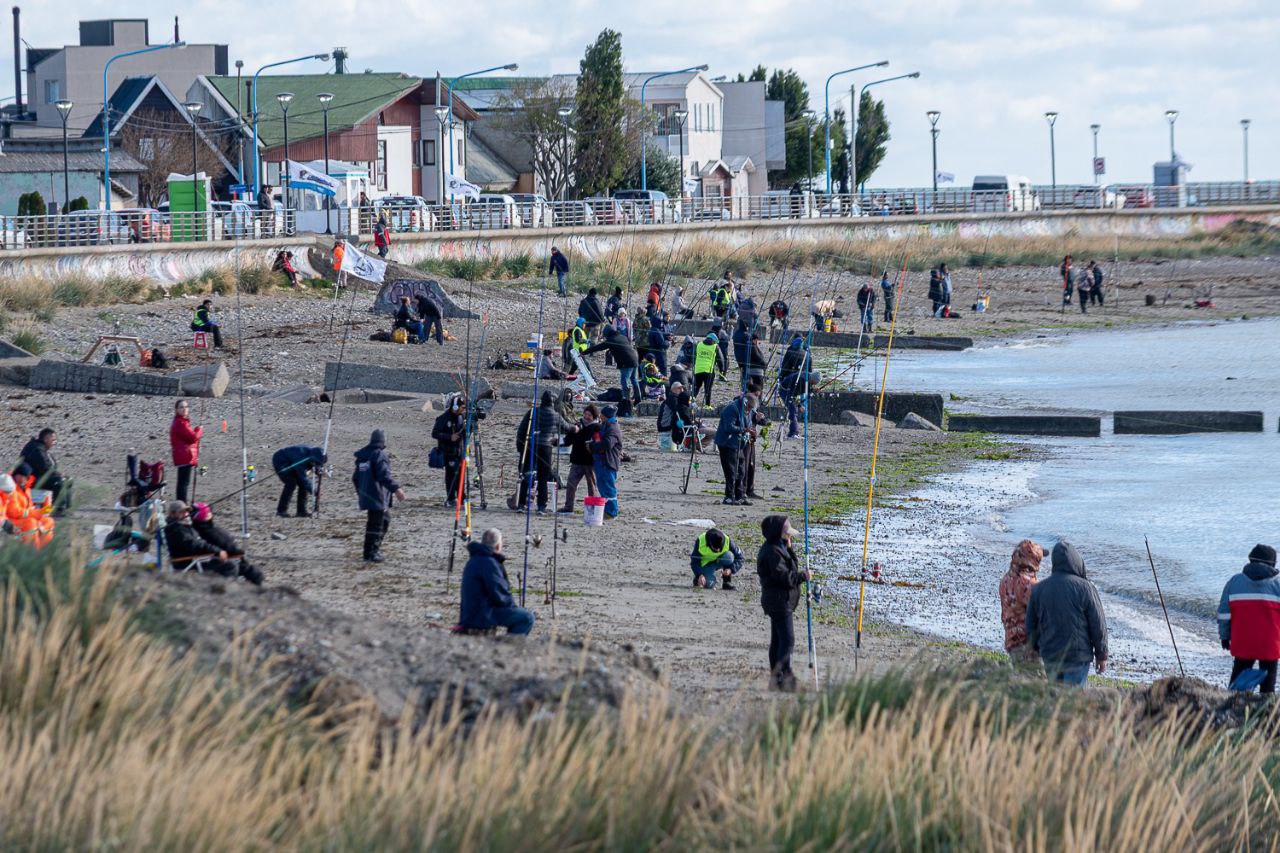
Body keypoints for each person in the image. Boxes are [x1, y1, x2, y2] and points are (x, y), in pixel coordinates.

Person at [1025, 541, 1108, 686]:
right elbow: (1098, 624)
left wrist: (1034, 648)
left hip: (1050, 653)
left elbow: (1031, 624)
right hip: (1077, 656)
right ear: (1076, 561)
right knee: (1073, 702)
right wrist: (1101, 655)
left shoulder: (1038, 589)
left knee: (1056, 697)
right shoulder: (1086, 588)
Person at [1217, 544, 1280, 694]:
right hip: (1270, 644)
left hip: (1242, 642)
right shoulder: (1278, 585)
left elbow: (1223, 614)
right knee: (1267, 689)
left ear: (1250, 560)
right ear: (1272, 564)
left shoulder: (1234, 582)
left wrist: (1225, 637)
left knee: (1237, 688)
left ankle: (1233, 707)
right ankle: (1265, 712)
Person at [757, 514, 809, 691]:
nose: (790, 535)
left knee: (779, 639)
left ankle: (776, 678)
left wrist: (790, 549)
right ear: (777, 532)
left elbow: (791, 566)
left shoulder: (779, 547)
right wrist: (803, 577)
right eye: (787, 533)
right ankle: (785, 677)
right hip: (778, 601)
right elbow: (784, 577)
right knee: (787, 640)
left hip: (780, 601)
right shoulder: (771, 551)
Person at [162, 500, 262, 585]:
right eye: (182, 512)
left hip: (196, 558)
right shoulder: (176, 530)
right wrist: (217, 551)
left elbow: (196, 544)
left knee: (233, 564)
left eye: (187, 512)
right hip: (187, 563)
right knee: (230, 565)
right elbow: (194, 545)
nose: (186, 514)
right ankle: (225, 590)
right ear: (173, 514)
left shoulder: (180, 526)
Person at [509, 391, 576, 513]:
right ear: (553, 402)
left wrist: (520, 447)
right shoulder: (555, 415)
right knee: (543, 478)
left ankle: (521, 505)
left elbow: (522, 430)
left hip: (530, 447)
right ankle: (541, 506)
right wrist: (576, 428)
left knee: (527, 476)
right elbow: (567, 427)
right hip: (546, 448)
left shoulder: (533, 412)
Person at [459, 528, 535, 635]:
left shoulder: (474, 559)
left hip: (470, 613)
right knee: (527, 618)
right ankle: (509, 647)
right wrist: (513, 608)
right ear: (498, 546)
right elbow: (500, 595)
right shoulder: (489, 563)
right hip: (481, 614)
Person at [352, 429, 406, 563]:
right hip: (377, 496)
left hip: (367, 495)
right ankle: (371, 553)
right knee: (378, 524)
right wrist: (397, 489)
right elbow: (384, 476)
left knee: (381, 521)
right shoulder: (379, 455)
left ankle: (370, 551)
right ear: (383, 441)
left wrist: (361, 492)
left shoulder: (363, 456)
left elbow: (355, 478)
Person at [191, 502, 264, 585]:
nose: (211, 513)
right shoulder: (209, 531)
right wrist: (239, 553)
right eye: (209, 512)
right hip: (223, 558)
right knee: (255, 574)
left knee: (252, 571)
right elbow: (227, 546)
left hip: (222, 556)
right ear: (206, 516)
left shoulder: (202, 528)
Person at [999, 540, 1045, 670]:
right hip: (1028, 643)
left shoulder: (1006, 580)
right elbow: (1042, 613)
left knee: (1021, 679)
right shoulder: (1028, 585)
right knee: (1036, 685)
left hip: (1012, 640)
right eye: (1039, 559)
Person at [714, 393, 755, 505]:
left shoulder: (749, 410)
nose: (749, 411)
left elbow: (750, 422)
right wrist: (744, 429)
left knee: (741, 471)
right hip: (727, 443)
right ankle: (729, 497)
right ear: (745, 403)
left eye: (751, 409)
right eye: (748, 409)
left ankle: (739, 496)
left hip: (739, 444)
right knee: (731, 471)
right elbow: (728, 427)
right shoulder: (731, 409)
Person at [584, 324, 641, 403]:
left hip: (626, 362)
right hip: (635, 358)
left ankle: (627, 400)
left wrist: (584, 352)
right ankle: (638, 397)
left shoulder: (611, 340)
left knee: (624, 381)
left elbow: (598, 347)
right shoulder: (622, 337)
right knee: (634, 379)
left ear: (607, 333)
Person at [559, 404, 600, 513]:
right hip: (577, 461)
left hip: (590, 463)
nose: (586, 417)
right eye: (585, 414)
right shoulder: (577, 426)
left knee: (592, 487)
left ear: (594, 416)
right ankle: (568, 507)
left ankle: (592, 509)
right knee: (571, 485)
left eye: (589, 415)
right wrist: (556, 442)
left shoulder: (597, 428)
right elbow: (567, 441)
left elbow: (599, 444)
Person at [19, 427, 70, 512]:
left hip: (39, 478)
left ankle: (66, 507)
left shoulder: (41, 448)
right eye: (53, 440)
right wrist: (58, 474)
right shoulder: (36, 449)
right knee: (59, 481)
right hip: (30, 481)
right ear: (46, 439)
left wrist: (58, 474)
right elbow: (45, 467)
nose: (54, 443)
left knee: (67, 480)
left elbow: (49, 467)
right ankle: (58, 509)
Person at [270, 444, 327, 518]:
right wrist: (314, 491)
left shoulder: (314, 455)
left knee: (303, 485)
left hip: (292, 462)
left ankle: (301, 511)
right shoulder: (300, 458)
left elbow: (314, 464)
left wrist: (318, 470)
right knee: (291, 483)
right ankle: (281, 511)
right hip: (281, 462)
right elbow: (303, 478)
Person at [431, 394, 468, 506]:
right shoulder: (444, 418)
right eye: (462, 407)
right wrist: (449, 437)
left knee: (461, 475)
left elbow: (463, 433)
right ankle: (450, 498)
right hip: (448, 452)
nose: (463, 409)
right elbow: (435, 433)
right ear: (455, 407)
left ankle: (461, 498)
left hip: (459, 451)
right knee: (451, 475)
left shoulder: (461, 417)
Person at [590, 405, 622, 519]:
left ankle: (611, 512)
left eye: (602, 414)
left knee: (608, 487)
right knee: (602, 486)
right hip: (600, 461)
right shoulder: (605, 425)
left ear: (607, 416)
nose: (600, 416)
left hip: (608, 462)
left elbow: (607, 444)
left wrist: (593, 446)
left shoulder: (613, 428)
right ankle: (606, 509)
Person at [169, 399, 202, 504]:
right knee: (184, 484)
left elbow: (189, 438)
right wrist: (199, 430)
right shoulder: (180, 423)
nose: (184, 409)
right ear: (176, 410)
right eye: (181, 407)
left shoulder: (181, 422)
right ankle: (182, 505)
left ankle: (181, 505)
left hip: (183, 456)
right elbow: (193, 438)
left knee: (182, 483)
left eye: (186, 407)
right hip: (184, 457)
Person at [779, 334, 811, 439]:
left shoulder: (790, 352)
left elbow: (784, 368)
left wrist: (781, 378)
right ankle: (794, 431)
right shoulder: (808, 355)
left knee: (793, 407)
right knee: (797, 406)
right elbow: (809, 372)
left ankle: (794, 431)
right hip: (802, 384)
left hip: (789, 384)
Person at [691, 332, 723, 407]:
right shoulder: (715, 346)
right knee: (707, 389)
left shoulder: (699, 344)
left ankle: (691, 401)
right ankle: (707, 405)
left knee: (696, 387)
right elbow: (720, 360)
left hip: (698, 369)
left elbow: (694, 356)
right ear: (714, 340)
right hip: (709, 371)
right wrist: (722, 370)